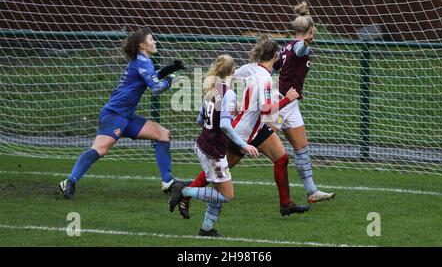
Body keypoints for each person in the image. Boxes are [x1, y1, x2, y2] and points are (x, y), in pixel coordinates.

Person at [178, 36, 311, 219]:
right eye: (279, 52)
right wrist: (287, 99)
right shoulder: (264, 78)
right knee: (221, 169)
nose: (281, 54)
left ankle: (286, 204)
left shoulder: (251, 68)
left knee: (281, 158)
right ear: (274, 55)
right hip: (243, 131)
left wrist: (237, 101)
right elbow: (265, 109)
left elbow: (231, 76)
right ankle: (185, 193)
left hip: (257, 128)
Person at [59, 28, 186, 198]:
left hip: (127, 117)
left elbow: (151, 77)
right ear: (142, 45)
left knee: (163, 134)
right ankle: (70, 181)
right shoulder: (143, 62)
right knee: (100, 149)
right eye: (151, 39)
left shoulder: (140, 61)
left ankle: (168, 182)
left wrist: (168, 70)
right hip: (115, 115)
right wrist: (170, 81)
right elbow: (155, 87)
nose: (155, 42)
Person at [168, 55, 259, 237]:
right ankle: (184, 190)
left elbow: (200, 119)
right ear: (233, 72)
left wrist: (212, 133)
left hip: (204, 145)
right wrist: (244, 144)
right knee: (227, 195)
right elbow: (224, 124)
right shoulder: (229, 93)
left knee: (218, 190)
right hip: (213, 152)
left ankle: (206, 228)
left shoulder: (212, 90)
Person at [272, 0, 335, 203]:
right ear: (309, 31)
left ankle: (312, 191)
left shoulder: (287, 45)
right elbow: (299, 50)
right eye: (312, 32)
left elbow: (275, 67)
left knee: (302, 148)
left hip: (291, 104)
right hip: (281, 104)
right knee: (250, 143)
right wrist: (305, 43)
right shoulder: (299, 46)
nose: (313, 35)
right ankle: (214, 172)